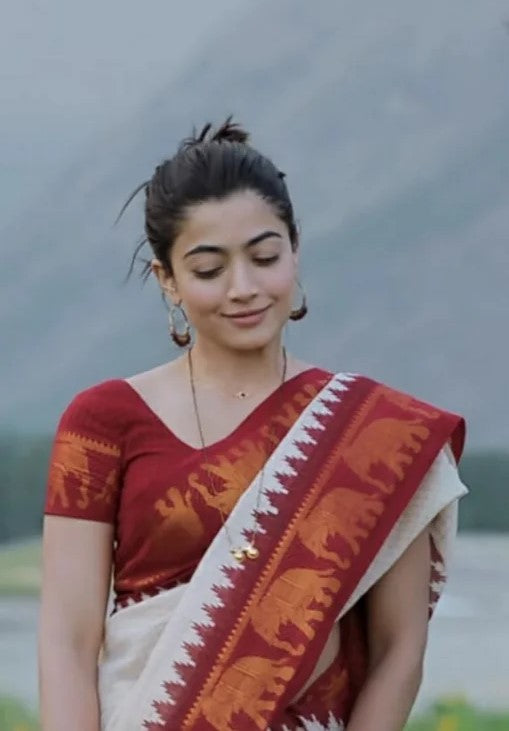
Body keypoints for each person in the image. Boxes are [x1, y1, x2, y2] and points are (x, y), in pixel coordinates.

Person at [38, 118, 468, 731]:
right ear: (168, 280)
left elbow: (399, 650)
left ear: (295, 249)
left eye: (265, 257)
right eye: (208, 270)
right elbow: (68, 642)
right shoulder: (104, 422)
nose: (243, 288)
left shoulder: (376, 434)